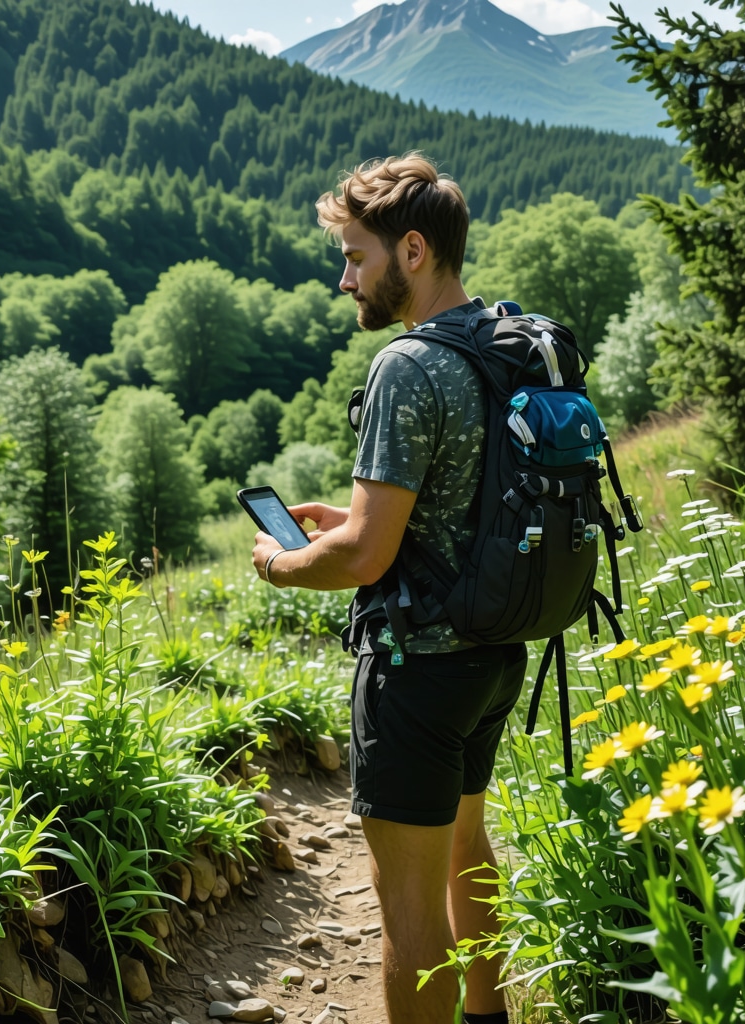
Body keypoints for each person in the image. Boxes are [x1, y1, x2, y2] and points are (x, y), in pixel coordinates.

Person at [250, 153, 525, 1024]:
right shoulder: (497, 341)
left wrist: (281, 562)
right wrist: (352, 515)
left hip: (418, 671)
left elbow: (365, 560)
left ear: (412, 251)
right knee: (466, 851)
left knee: (407, 908)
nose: (345, 280)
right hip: (493, 651)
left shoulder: (409, 364)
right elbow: (454, 499)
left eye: (355, 257)